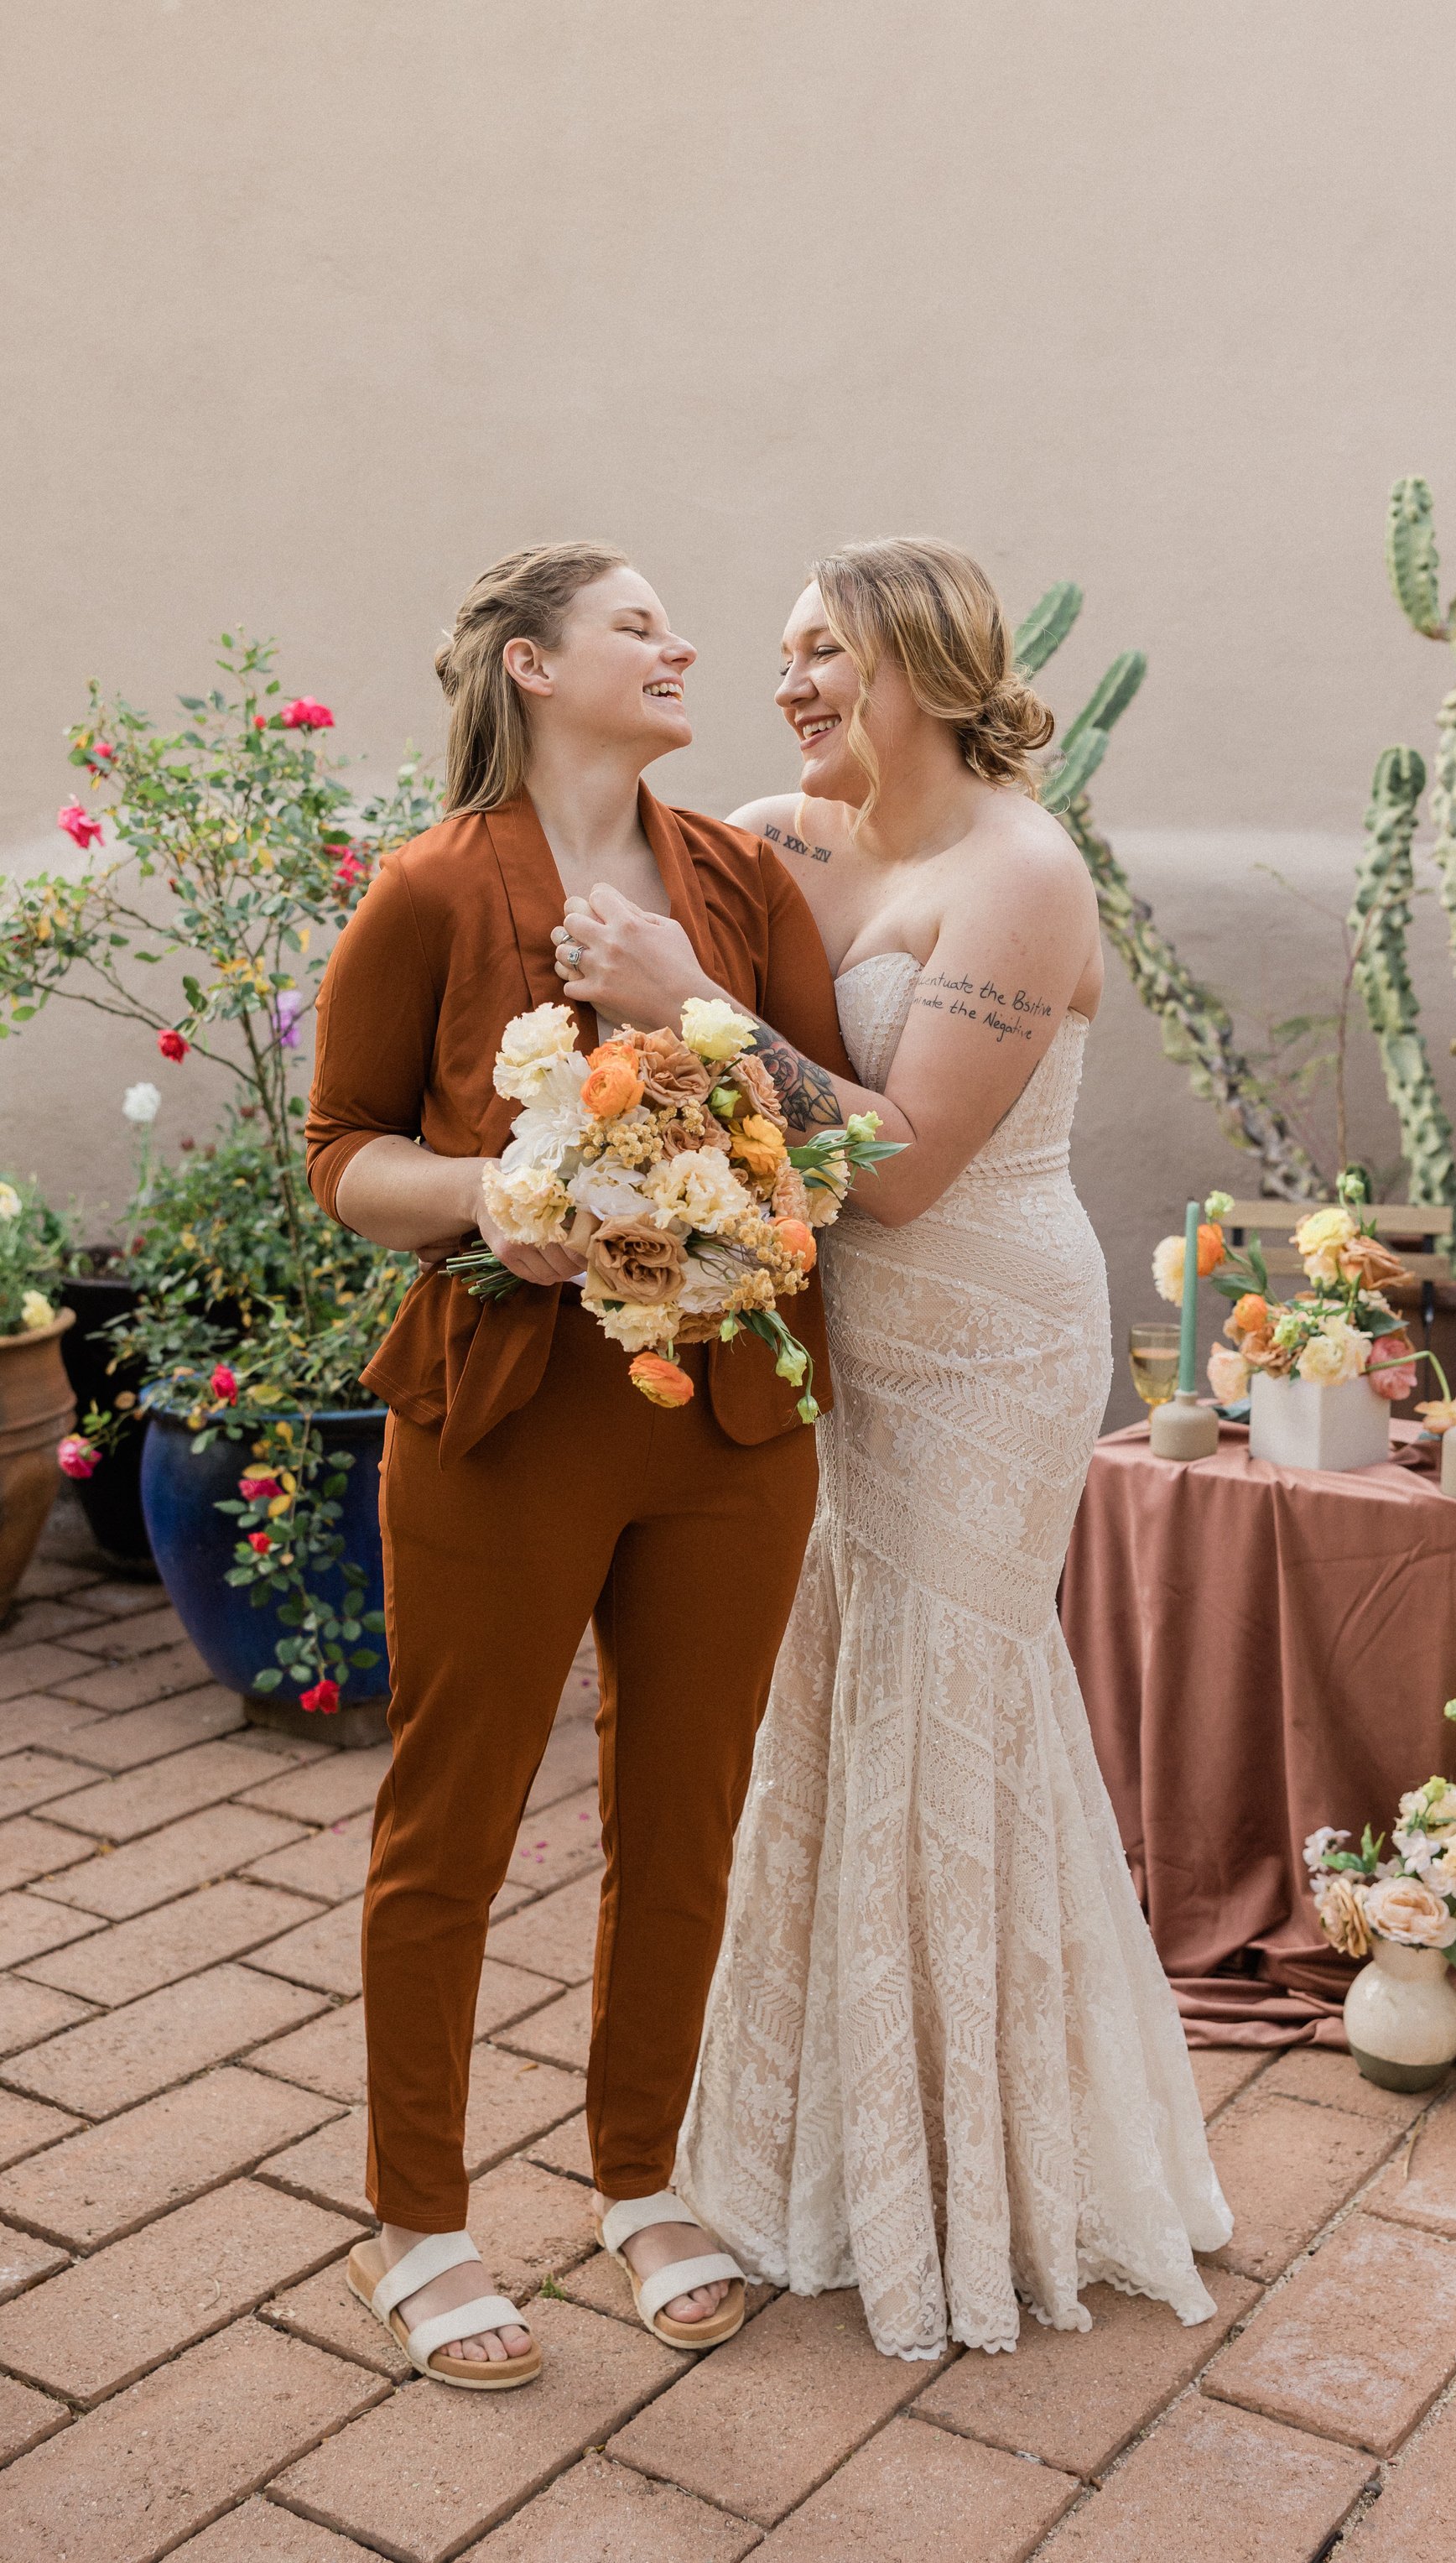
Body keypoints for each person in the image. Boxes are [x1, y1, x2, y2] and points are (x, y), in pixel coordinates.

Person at [552, 536, 1231, 2361]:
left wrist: (681, 1017)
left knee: (953, 1701)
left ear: (921, 667)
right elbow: (599, 887)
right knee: (830, 1688)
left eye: (818, 652)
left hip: (988, 1339)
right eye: (775, 653)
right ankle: (820, 2139)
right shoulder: (788, 832)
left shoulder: (1019, 873)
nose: (784, 683)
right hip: (828, 1338)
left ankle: (980, 2176)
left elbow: (909, 1159)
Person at [304, 541, 853, 2384]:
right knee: (448, 1821)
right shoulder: (432, 890)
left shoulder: (739, 878)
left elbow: (825, 1133)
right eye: (637, 623)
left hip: (733, 1422)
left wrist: (689, 991)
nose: (680, 643)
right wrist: (495, 1195)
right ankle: (419, 2221)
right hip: (506, 1410)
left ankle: (639, 2177)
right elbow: (342, 1151)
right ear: (533, 667)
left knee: (681, 1816)